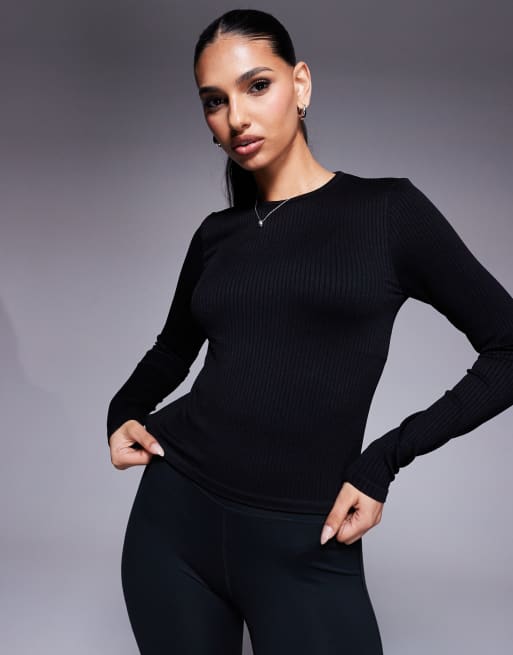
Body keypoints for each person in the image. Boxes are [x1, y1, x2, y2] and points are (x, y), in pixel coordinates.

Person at [106, 9, 513, 655]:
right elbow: (171, 350)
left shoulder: (387, 212)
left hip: (305, 540)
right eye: (214, 101)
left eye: (256, 86)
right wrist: (122, 410)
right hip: (173, 526)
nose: (236, 117)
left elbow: (507, 348)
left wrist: (385, 458)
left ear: (300, 84)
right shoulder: (216, 235)